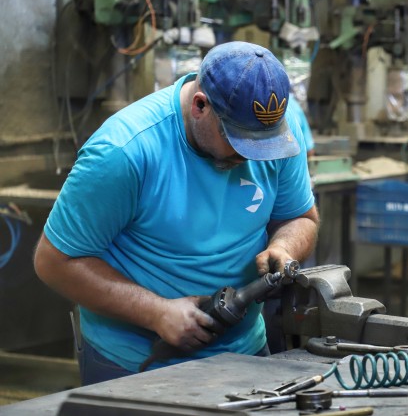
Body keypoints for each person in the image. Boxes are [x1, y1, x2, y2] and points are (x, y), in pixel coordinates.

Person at [33, 41, 319, 385]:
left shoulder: (272, 130)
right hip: (133, 365)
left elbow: (300, 218)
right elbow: (54, 262)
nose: (256, 157)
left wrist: (284, 247)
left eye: (263, 144)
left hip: (246, 354)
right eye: (241, 143)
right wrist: (156, 312)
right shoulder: (124, 152)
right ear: (200, 106)